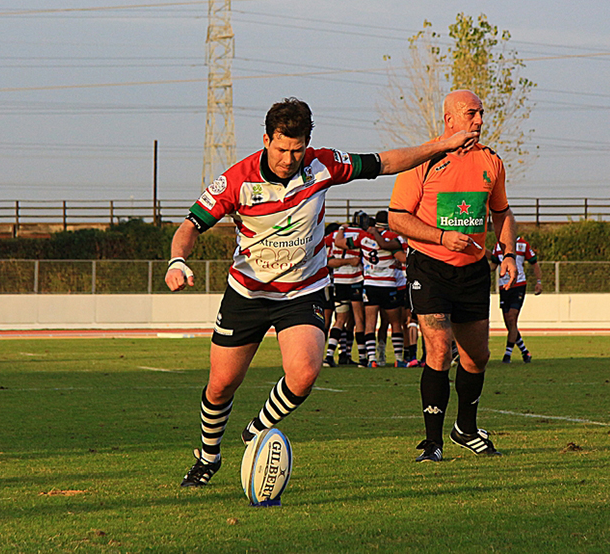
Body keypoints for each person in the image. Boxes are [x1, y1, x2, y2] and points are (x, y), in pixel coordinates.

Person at [167, 97, 478, 486]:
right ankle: (207, 458)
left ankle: (255, 431)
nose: (288, 158)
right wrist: (177, 260)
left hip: (303, 290)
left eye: (297, 150)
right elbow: (189, 226)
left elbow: (383, 162)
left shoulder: (323, 164)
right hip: (248, 292)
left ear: (307, 143)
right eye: (281, 149)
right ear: (266, 140)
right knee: (221, 384)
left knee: (305, 373)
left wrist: (440, 144)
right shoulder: (237, 180)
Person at [388, 90, 518, 462]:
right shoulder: (423, 160)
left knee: (476, 357)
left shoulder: (491, 161)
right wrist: (442, 237)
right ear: (449, 119)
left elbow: (502, 213)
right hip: (429, 267)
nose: (479, 120)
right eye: (471, 114)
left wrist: (508, 254)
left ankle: (465, 428)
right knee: (440, 348)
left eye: (481, 114)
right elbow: (397, 217)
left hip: (473, 272)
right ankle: (432, 443)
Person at [357, 210, 407, 367]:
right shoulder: (392, 238)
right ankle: (398, 359)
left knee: (370, 323)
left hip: (370, 284)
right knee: (395, 323)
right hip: (388, 285)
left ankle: (372, 359)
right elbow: (403, 258)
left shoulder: (363, 236)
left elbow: (342, 243)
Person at [324, 217, 365, 367]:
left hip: (338, 282)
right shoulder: (361, 234)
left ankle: (332, 355)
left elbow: (328, 260)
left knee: (340, 320)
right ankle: (363, 358)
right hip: (354, 281)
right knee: (358, 319)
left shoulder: (334, 236)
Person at [493, 238, 541, 363]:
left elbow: (534, 263)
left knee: (511, 317)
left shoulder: (523, 244)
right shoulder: (498, 245)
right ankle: (525, 352)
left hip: (518, 285)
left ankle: (507, 354)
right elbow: (493, 264)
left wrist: (538, 282)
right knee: (509, 323)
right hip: (503, 287)